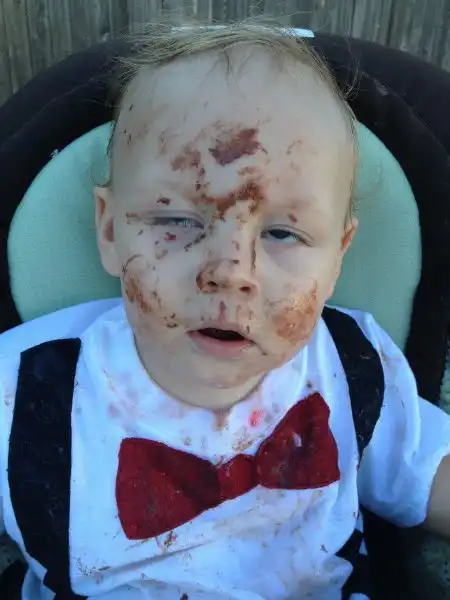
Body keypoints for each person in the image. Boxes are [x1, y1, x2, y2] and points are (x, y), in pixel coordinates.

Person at [0, 23, 449, 600]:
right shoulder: (21, 387)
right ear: (109, 231)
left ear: (338, 258)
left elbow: (430, 475)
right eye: (177, 221)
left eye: (283, 233)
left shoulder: (352, 367)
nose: (231, 271)